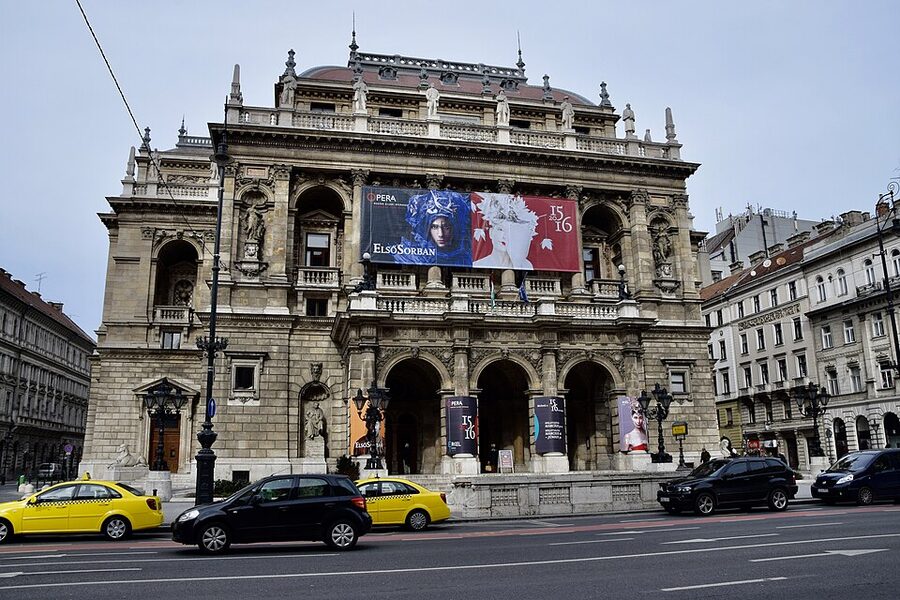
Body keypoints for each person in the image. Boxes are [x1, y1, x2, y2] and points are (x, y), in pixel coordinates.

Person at [393, 190, 471, 266]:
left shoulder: (466, 258)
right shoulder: (406, 256)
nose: (441, 234)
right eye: (434, 227)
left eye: (446, 227)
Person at [472, 193, 538, 270]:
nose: (504, 236)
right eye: (500, 229)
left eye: (511, 231)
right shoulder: (479, 264)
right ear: (491, 233)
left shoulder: (526, 265)